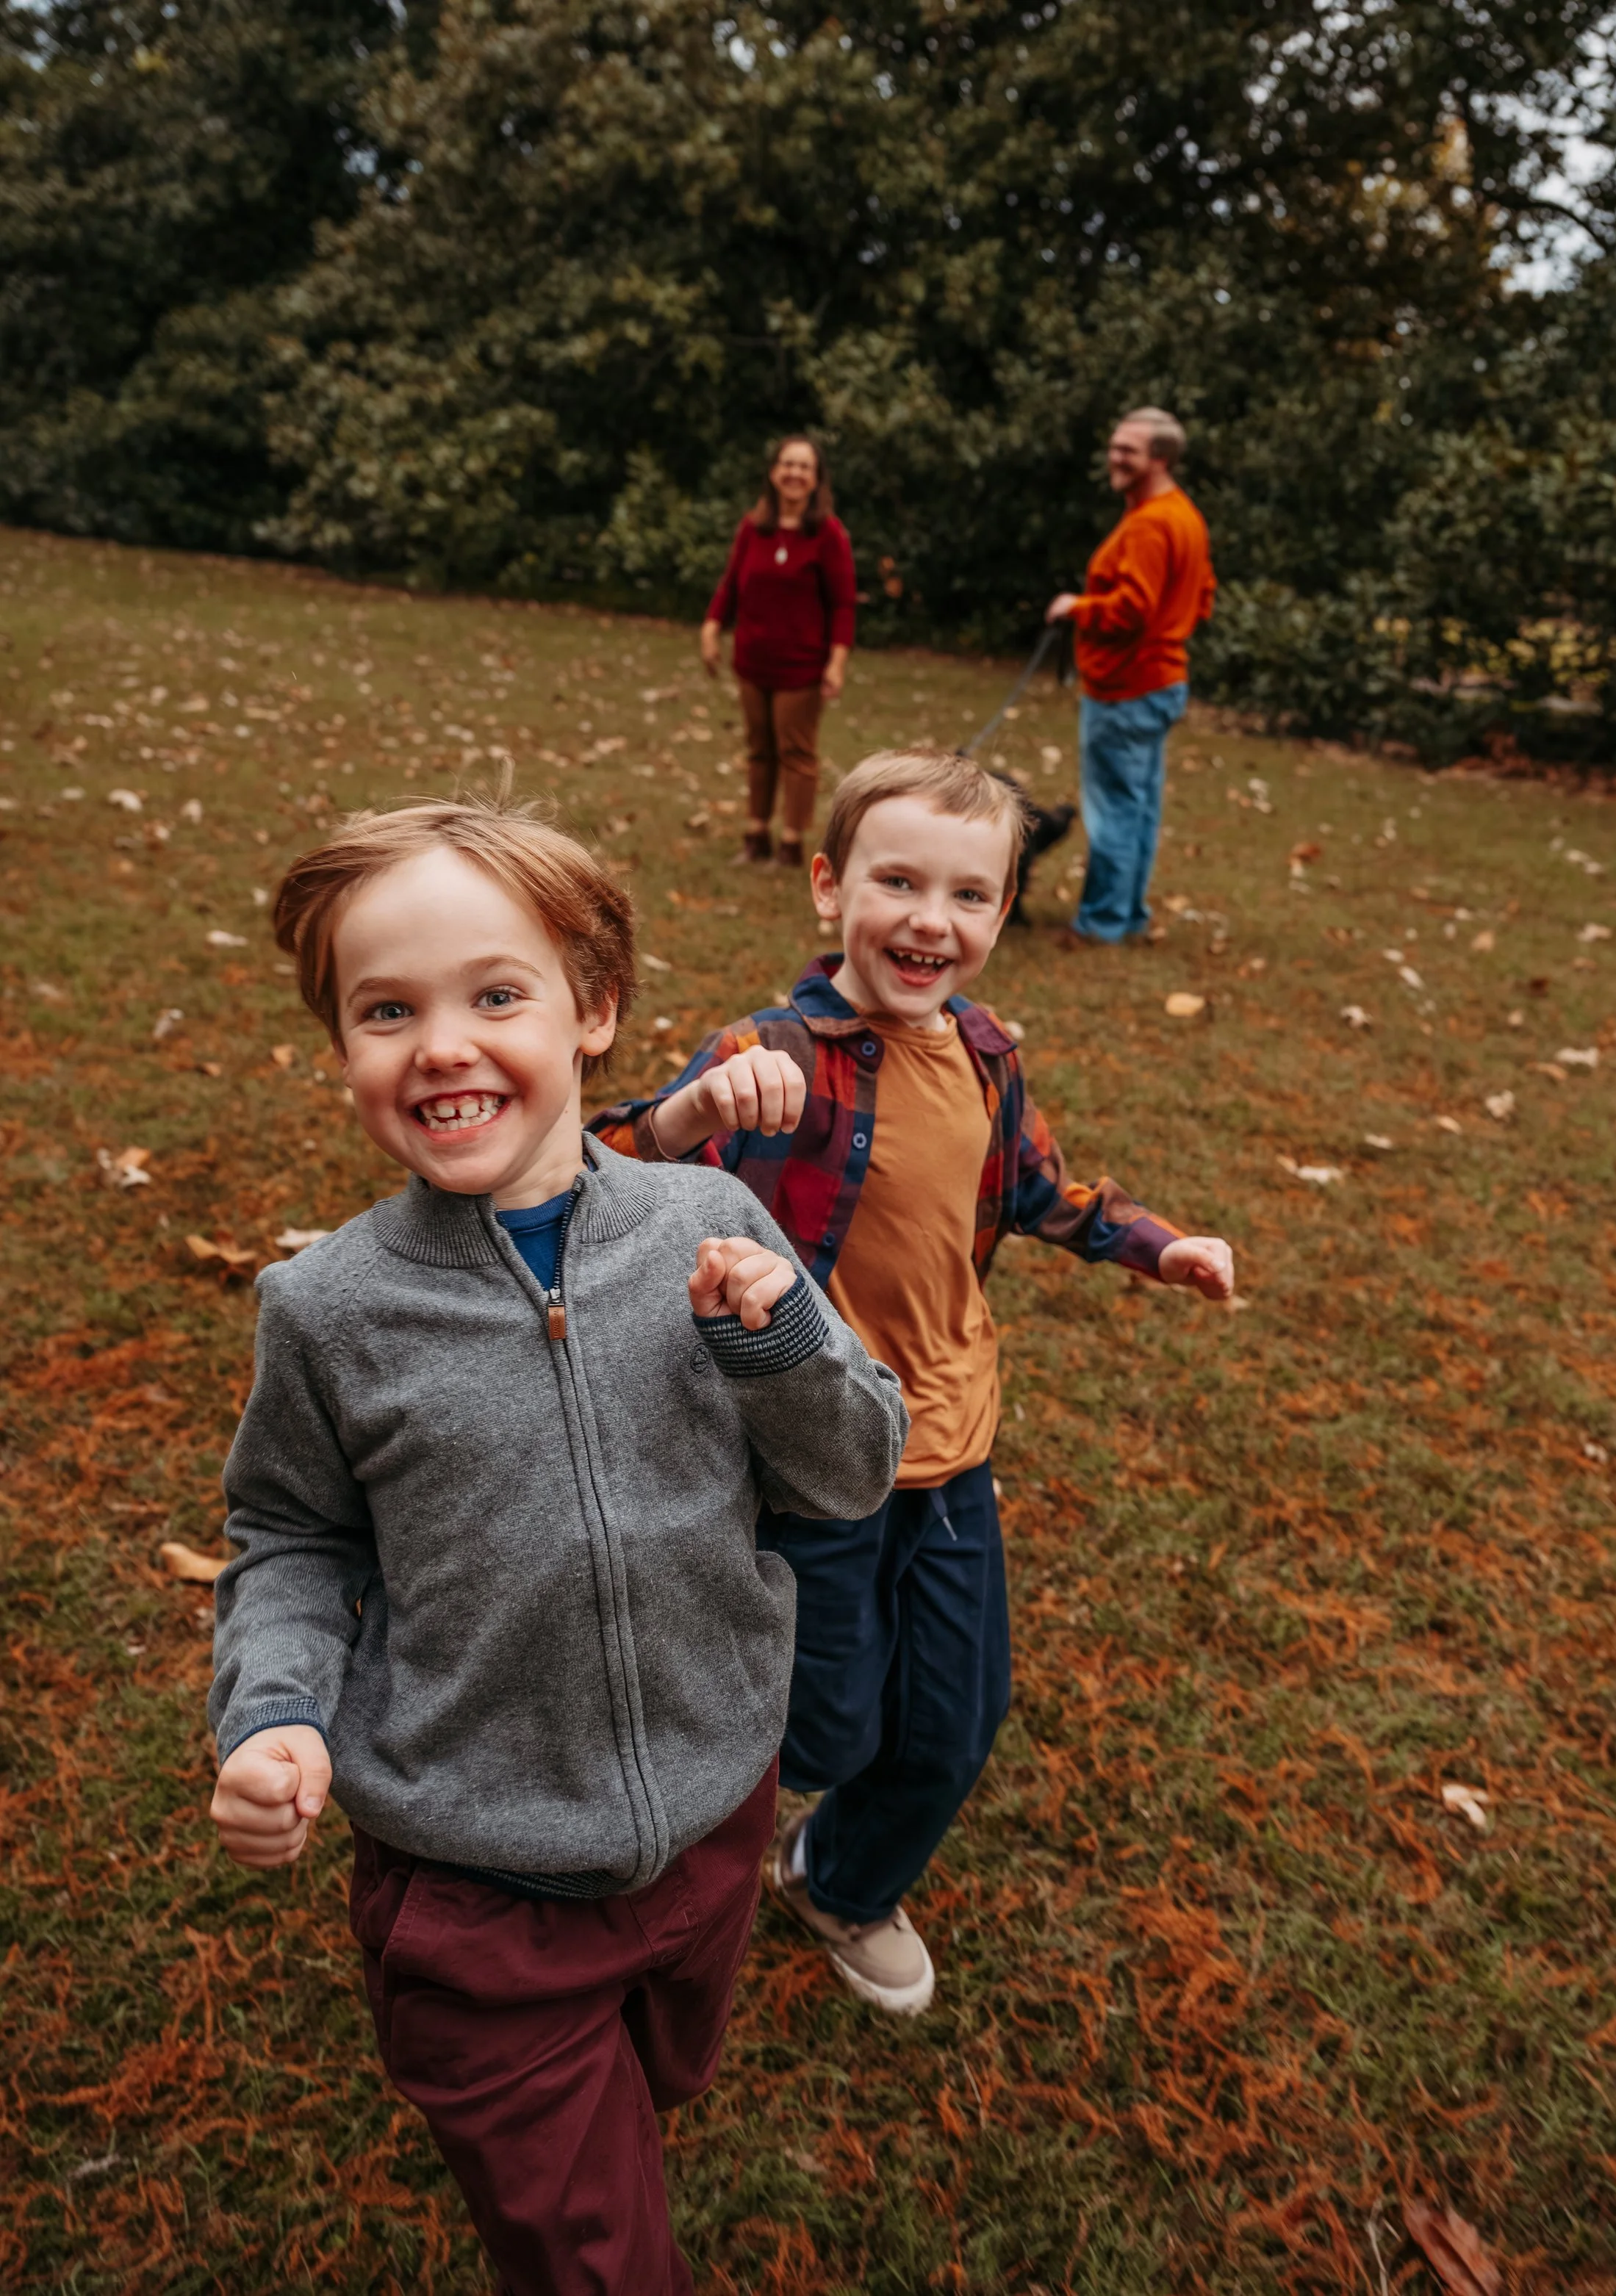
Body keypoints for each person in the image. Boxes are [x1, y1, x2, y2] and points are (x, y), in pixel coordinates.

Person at [205, 796, 907, 2296]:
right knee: (593, 2246)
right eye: (385, 1008)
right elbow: (289, 1531)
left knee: (655, 2079)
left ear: (594, 1011)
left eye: (494, 992)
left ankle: (617, 2102)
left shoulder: (708, 1222)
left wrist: (773, 1341)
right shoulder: (328, 1308)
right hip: (476, 1877)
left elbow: (851, 1471)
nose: (441, 1043)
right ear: (341, 1047)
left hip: (712, 1809)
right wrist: (272, 1709)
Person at [593, 749, 1235, 2018]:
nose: (930, 920)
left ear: (1001, 916)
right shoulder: (774, 1056)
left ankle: (841, 1878)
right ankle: (643, 1824)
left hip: (951, 1450)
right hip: (815, 1452)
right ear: (830, 889)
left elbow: (1045, 1194)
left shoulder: (985, 1054)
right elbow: (590, 1176)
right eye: (897, 880)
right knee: (824, 1733)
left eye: (971, 896)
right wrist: (687, 1116)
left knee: (950, 1724)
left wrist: (1163, 1246)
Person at [1046, 407, 1216, 945]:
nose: (1114, 457)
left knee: (1114, 808)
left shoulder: (1150, 524)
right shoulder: (1183, 514)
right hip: (1163, 680)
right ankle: (1127, 913)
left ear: (1159, 458)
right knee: (1139, 806)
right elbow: (1204, 595)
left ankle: (1102, 922)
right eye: (1114, 445)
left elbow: (1130, 611)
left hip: (1128, 685)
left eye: (1128, 450)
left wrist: (1077, 607)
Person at [701, 434, 857, 872]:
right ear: (774, 473)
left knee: (796, 753)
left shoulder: (828, 535)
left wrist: (837, 662)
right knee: (758, 750)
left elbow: (843, 604)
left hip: (801, 667)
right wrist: (713, 626)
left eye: (804, 467)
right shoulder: (754, 527)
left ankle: (791, 845)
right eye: (787, 464)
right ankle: (756, 836)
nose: (794, 473)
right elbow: (730, 585)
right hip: (753, 660)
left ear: (815, 479)